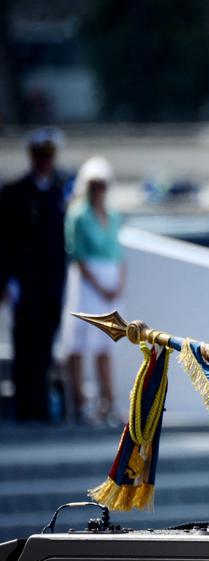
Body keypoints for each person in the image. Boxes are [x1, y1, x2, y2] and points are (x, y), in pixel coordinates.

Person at [0, 128, 69, 422]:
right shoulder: (15, 192)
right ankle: (25, 407)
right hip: (24, 283)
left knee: (44, 345)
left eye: (49, 156)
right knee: (25, 343)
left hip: (51, 284)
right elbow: (5, 241)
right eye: (41, 156)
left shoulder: (58, 191)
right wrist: (6, 281)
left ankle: (40, 407)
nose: (45, 162)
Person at [63, 156, 125, 424]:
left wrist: (118, 284)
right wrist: (100, 285)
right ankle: (79, 402)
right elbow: (76, 254)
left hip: (109, 283)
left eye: (103, 185)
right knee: (80, 340)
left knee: (105, 343)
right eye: (95, 185)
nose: (99, 190)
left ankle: (107, 400)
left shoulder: (113, 216)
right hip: (88, 284)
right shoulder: (78, 215)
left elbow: (119, 254)